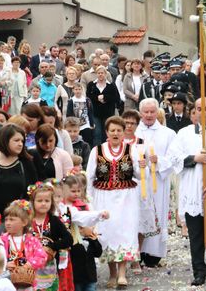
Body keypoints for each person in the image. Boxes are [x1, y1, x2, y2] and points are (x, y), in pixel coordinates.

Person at [173, 97, 206, 286]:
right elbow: (174, 159)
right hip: (192, 189)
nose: (201, 112)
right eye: (198, 108)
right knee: (196, 234)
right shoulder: (183, 133)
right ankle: (199, 270)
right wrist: (193, 158)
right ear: (193, 111)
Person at [86, 116, 140, 289]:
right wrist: (88, 199)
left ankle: (123, 273)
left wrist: (144, 165)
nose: (115, 133)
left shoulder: (132, 149)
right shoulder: (97, 150)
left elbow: (140, 175)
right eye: (112, 130)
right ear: (107, 132)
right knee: (107, 232)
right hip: (103, 197)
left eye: (119, 130)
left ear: (124, 132)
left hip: (126, 197)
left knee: (125, 231)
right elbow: (89, 176)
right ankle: (112, 273)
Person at [134, 98, 177, 268]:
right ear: (140, 113)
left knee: (157, 211)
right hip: (138, 181)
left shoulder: (168, 133)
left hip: (158, 180)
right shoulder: (134, 132)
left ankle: (154, 253)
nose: (149, 115)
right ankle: (137, 251)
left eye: (152, 112)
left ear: (157, 112)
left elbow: (173, 157)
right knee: (139, 213)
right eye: (146, 112)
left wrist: (158, 161)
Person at [28, 182, 73, 291]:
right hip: (30, 267)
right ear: (33, 202)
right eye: (39, 201)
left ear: (51, 203)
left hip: (50, 266)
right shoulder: (27, 221)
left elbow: (68, 239)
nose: (43, 204)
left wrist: (52, 246)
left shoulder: (54, 221)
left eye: (47, 201)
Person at [0, 200, 47, 291]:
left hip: (26, 283)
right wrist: (5, 264)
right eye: (6, 220)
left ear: (24, 222)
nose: (8, 223)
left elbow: (42, 257)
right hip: (6, 282)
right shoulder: (2, 240)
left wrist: (30, 264)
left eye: (12, 219)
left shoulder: (32, 240)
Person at [0, 125, 38, 215]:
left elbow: (32, 191)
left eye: (22, 141)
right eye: (16, 140)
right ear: (5, 141)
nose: (20, 144)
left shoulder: (26, 162)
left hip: (19, 216)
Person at [86, 66, 120, 146]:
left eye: (102, 73)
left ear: (106, 74)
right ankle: (97, 152)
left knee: (106, 133)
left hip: (108, 113)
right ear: (96, 74)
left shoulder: (111, 85)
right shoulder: (91, 85)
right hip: (95, 113)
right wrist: (97, 98)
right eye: (99, 73)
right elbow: (88, 97)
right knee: (97, 133)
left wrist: (105, 97)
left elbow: (116, 98)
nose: (100, 75)